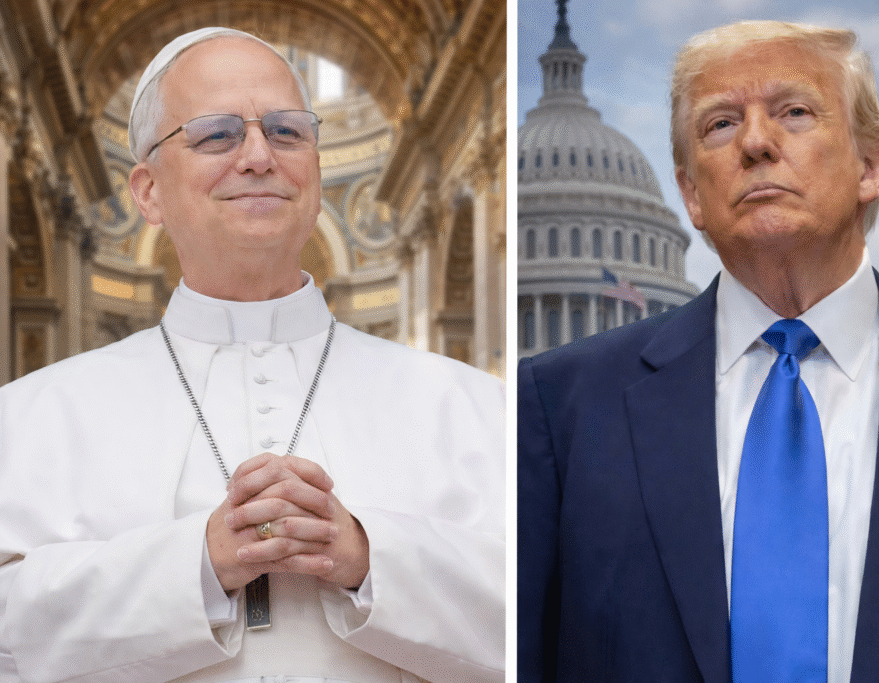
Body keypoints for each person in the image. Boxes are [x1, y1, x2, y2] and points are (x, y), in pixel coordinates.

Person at [518, 19, 879, 683]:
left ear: (872, 167)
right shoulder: (557, 409)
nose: (755, 142)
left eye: (794, 112)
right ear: (691, 195)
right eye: (721, 123)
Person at [0, 28, 504, 683]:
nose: (260, 156)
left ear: (317, 170)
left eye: (288, 131)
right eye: (217, 135)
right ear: (148, 191)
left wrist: (371, 557)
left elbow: (547, 616)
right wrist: (195, 566)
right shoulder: (30, 414)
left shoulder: (476, 405)